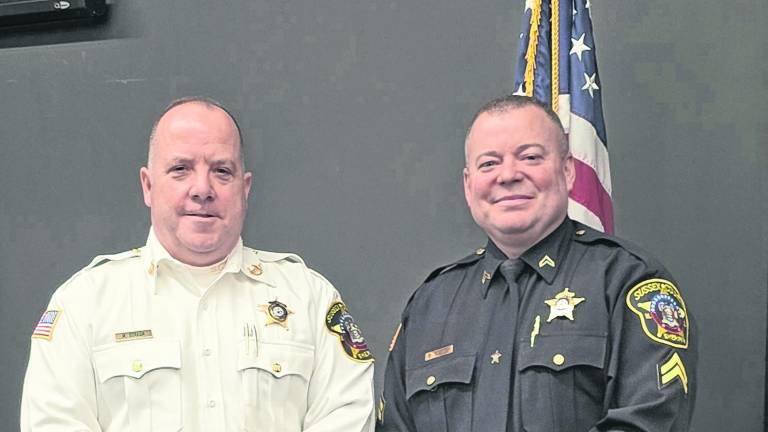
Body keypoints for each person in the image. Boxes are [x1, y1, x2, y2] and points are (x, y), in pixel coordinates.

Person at [21, 97, 375, 432]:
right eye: (180, 169)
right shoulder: (84, 303)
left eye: (222, 171)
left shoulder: (308, 298)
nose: (202, 189)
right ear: (148, 185)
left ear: (244, 188)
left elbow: (345, 415)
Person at [377, 95, 696, 431]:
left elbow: (649, 422)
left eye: (530, 157)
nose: (508, 175)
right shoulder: (431, 305)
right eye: (489, 164)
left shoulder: (626, 281)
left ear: (568, 170)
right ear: (469, 186)